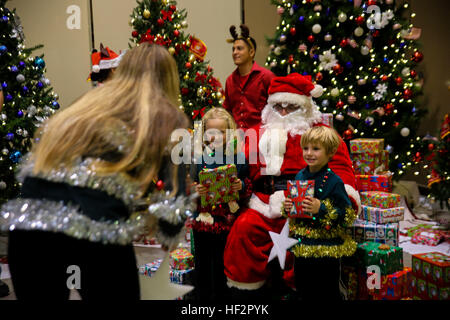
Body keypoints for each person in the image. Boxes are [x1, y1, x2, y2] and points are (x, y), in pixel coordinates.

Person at [0, 43, 192, 300]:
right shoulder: (168, 117)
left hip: (29, 231)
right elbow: (173, 201)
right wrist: (168, 232)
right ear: (169, 78)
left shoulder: (88, 103)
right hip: (96, 233)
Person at [223, 73, 360, 299]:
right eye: (278, 107)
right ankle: (246, 295)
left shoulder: (322, 136)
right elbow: (243, 170)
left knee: (304, 247)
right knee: (243, 230)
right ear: (269, 107)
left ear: (305, 108)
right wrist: (237, 186)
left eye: (291, 107)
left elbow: (342, 172)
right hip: (263, 203)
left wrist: (339, 200)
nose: (284, 113)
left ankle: (298, 291)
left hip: (303, 205)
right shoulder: (256, 135)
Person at [283, 126, 357, 300]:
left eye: (316, 149)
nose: (309, 153)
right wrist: (288, 207)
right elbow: (296, 208)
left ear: (330, 152)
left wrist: (321, 208)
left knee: (325, 290)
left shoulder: (334, 181)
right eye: (306, 148)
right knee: (303, 286)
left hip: (326, 248)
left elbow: (347, 215)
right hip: (302, 245)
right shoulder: (300, 176)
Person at [191, 107, 249, 300]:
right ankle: (202, 300)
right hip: (204, 222)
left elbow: (248, 187)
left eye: (221, 132)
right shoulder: (198, 159)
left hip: (228, 222)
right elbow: (189, 186)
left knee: (223, 264)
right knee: (203, 265)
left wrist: (240, 185)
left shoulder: (238, 158)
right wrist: (195, 190)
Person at [223, 25, 275, 131]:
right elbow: (227, 112)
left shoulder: (266, 77)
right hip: (237, 139)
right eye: (233, 49)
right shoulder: (230, 81)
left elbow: (277, 108)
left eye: (239, 49)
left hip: (261, 138)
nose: (235, 52)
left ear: (251, 52)